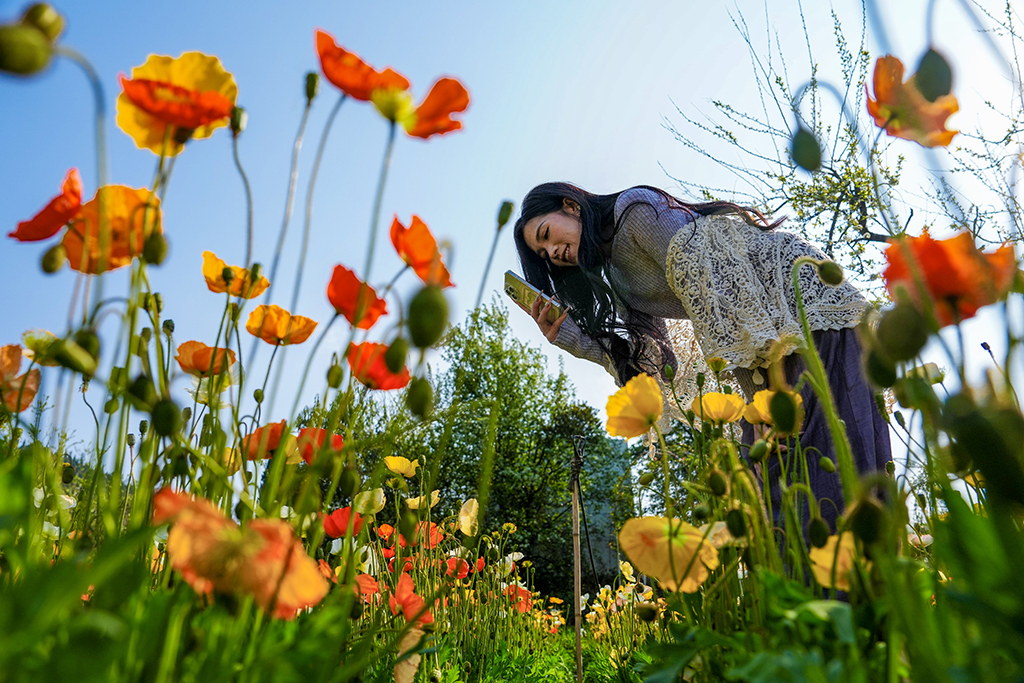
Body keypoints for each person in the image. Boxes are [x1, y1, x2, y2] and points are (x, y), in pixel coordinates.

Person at [512, 182, 892, 534]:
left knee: (823, 474)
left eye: (546, 235)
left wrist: (762, 404)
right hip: (769, 339)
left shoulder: (635, 210)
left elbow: (721, 288)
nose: (553, 253)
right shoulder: (619, 275)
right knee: (775, 480)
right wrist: (575, 341)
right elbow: (658, 367)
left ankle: (861, 578)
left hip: (806, 312)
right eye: (543, 255)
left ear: (571, 206)